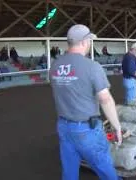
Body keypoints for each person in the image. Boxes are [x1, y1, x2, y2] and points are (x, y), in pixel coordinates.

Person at [49, 24, 123, 180]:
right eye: (89, 40)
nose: (90, 44)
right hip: (86, 129)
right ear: (84, 42)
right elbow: (105, 99)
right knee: (104, 166)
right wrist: (116, 126)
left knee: (69, 171)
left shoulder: (55, 66)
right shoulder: (92, 67)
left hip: (64, 126)